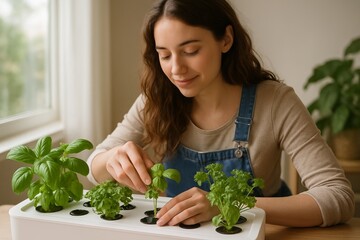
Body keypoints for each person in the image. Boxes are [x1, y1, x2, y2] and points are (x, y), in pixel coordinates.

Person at [87, 0, 354, 228]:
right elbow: (92, 169)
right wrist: (112, 158)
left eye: (190, 51)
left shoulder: (275, 101)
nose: (176, 69)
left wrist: (230, 204)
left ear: (226, 39)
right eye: (164, 55)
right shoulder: (156, 98)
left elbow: (338, 197)